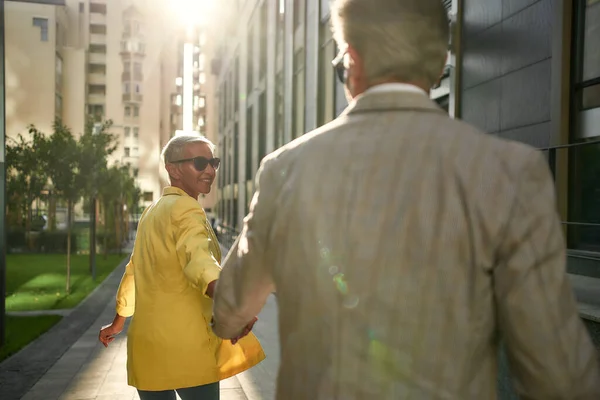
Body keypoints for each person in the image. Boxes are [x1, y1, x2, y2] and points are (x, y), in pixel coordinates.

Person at [211, 0, 600, 398]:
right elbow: (560, 374)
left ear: (351, 60)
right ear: (438, 64)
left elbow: (228, 309)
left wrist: (236, 316)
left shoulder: (285, 169)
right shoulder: (511, 171)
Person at [98, 134, 264, 400]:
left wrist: (119, 322)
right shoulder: (187, 209)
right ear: (172, 169)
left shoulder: (150, 212)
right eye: (200, 162)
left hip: (147, 347)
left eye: (213, 162)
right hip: (187, 348)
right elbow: (199, 263)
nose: (210, 170)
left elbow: (133, 271)